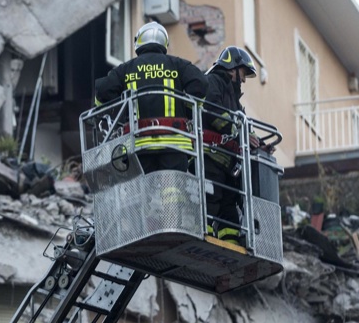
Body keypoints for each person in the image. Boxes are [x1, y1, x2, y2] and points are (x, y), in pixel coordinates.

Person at [94, 21, 207, 173]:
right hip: (175, 144)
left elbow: (102, 91)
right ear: (164, 42)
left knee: (142, 187)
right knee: (172, 187)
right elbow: (201, 84)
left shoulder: (125, 69)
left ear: (139, 41)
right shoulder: (178, 64)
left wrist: (118, 113)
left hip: (138, 146)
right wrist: (188, 110)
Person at [202, 45, 258, 244]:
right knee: (210, 200)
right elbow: (212, 110)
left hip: (228, 163)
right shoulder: (213, 82)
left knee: (229, 208)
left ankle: (230, 246)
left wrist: (259, 144)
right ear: (232, 67)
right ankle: (206, 239)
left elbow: (246, 126)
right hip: (210, 156)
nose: (244, 79)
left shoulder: (235, 99)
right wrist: (237, 131)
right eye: (243, 73)